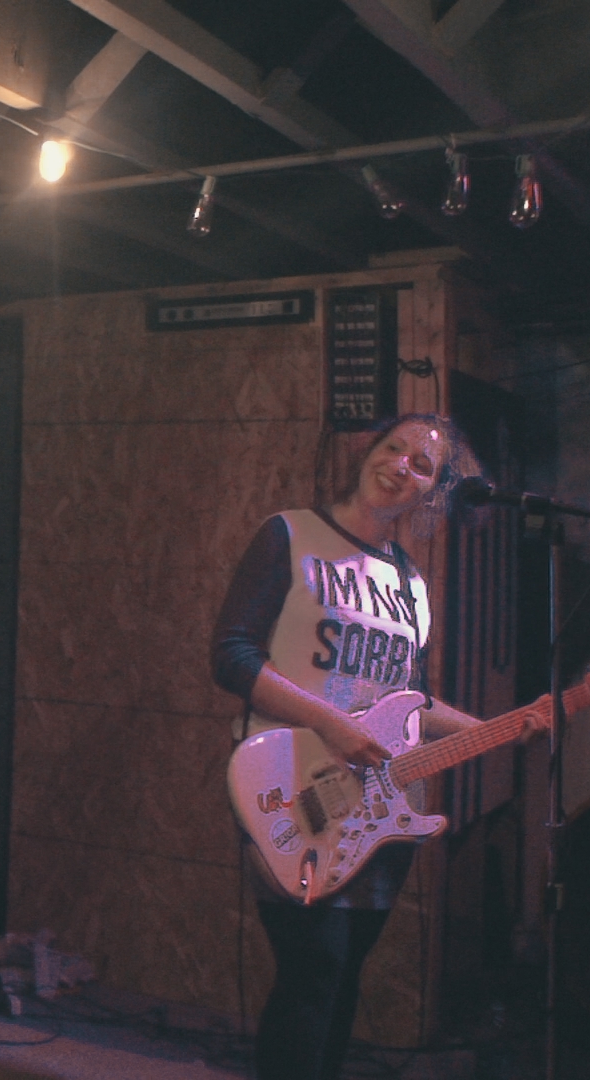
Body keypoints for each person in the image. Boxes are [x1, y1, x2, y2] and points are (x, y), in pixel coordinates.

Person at [210, 413, 548, 1080]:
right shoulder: (290, 535)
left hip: (376, 804)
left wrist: (503, 727)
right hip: (287, 781)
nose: (400, 466)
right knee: (315, 967)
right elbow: (232, 656)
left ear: (433, 491)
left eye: (422, 465)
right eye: (394, 448)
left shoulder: (411, 586)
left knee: (342, 975)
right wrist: (331, 723)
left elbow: (413, 701)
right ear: (370, 452)